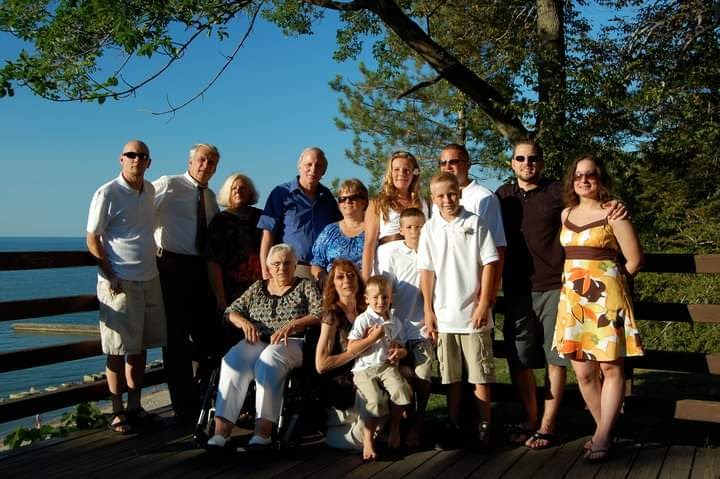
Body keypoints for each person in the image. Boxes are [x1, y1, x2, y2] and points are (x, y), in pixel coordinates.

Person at [496, 140, 625, 449]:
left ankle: (548, 426)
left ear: (541, 162)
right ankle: (531, 421)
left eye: (533, 158)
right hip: (516, 288)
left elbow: (589, 209)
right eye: (520, 158)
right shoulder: (501, 196)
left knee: (557, 359)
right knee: (520, 359)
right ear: (512, 163)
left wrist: (615, 206)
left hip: (557, 286)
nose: (527, 163)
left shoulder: (557, 193)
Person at [553, 153, 644, 462]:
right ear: (572, 180)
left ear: (601, 178)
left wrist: (610, 283)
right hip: (574, 301)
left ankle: (603, 437)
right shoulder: (566, 214)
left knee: (610, 368)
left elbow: (635, 260)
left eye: (590, 174)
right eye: (578, 175)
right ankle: (603, 430)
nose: (583, 180)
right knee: (583, 373)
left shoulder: (614, 213)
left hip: (606, 300)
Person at [207, 244, 323, 448]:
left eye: (287, 263)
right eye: (276, 264)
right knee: (233, 359)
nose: (282, 268)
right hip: (259, 340)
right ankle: (221, 430)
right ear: (268, 267)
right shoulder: (257, 287)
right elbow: (230, 312)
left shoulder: (305, 285)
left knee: (269, 359)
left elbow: (321, 312)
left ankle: (263, 430)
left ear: (295, 265)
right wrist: (243, 322)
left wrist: (294, 325)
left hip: (292, 341)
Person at [86, 140, 167, 433]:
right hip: (120, 281)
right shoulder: (107, 192)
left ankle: (135, 406)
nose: (137, 160)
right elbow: (92, 238)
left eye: (142, 156)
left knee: (140, 347)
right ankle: (117, 410)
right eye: (131, 155)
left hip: (150, 277)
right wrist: (110, 274)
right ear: (121, 159)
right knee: (117, 348)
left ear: (149, 162)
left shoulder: (151, 190)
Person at [418, 172, 499, 449]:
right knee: (451, 378)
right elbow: (426, 271)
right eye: (441, 196)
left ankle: (484, 428)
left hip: (473, 315)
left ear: (459, 193)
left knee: (480, 376)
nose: (447, 200)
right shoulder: (430, 229)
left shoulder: (475, 223)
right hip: (444, 316)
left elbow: (490, 263)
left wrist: (484, 303)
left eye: (451, 193)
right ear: (433, 198)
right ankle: (453, 426)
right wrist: (428, 310)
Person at [153, 143, 220, 417]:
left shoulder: (211, 197)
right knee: (176, 337)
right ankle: (183, 405)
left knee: (208, 334)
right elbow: (141, 215)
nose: (206, 165)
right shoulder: (169, 185)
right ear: (190, 161)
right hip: (172, 266)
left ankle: (203, 394)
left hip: (201, 268)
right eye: (202, 160)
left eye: (212, 162)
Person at [376, 207, 435, 448]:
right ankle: (400, 424)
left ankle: (419, 421)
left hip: (422, 329)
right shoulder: (391, 253)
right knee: (402, 376)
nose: (414, 231)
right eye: (409, 227)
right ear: (400, 230)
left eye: (419, 226)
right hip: (398, 329)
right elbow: (384, 290)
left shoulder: (432, 251)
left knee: (423, 375)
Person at [315, 259, 380, 454]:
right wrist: (358, 348)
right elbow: (321, 364)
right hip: (344, 385)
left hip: (371, 374)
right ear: (333, 284)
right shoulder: (332, 315)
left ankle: (371, 432)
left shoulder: (367, 311)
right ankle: (351, 435)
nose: (347, 281)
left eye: (351, 276)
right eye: (340, 277)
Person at [348, 275, 412, 460]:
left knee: (401, 391)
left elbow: (402, 346)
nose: (380, 301)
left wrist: (400, 352)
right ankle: (368, 440)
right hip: (364, 368)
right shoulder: (363, 320)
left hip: (386, 366)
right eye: (375, 297)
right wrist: (371, 338)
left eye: (385, 297)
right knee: (375, 401)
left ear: (391, 298)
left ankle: (394, 428)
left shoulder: (395, 321)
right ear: (367, 299)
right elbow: (352, 347)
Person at [258, 147, 342, 280]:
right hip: (292, 268)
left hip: (324, 269)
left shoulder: (327, 197)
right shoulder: (281, 193)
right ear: (299, 167)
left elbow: (339, 230)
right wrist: (266, 270)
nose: (313, 169)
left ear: (324, 171)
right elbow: (268, 233)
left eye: (318, 166)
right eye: (309, 164)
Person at [437, 143, 506, 298]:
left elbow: (498, 248)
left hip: (474, 290)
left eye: (453, 161)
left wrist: (489, 295)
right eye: (443, 163)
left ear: (467, 165)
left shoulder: (484, 197)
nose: (447, 167)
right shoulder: (437, 201)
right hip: (443, 290)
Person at [361, 150, 429, 280]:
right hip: (388, 264)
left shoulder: (424, 202)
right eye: (396, 169)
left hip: (418, 264)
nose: (401, 174)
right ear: (390, 173)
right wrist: (365, 280)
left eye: (406, 170)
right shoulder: (377, 203)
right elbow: (369, 244)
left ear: (414, 173)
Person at [206, 173, 263, 313]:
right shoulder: (220, 221)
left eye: (242, 188)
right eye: (234, 188)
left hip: (261, 286)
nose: (238, 191)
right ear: (228, 193)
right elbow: (213, 261)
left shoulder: (262, 217)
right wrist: (220, 297)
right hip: (231, 290)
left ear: (250, 192)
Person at [311, 179, 369, 283]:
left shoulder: (373, 229)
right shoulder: (330, 231)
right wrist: (324, 280)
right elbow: (316, 264)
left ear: (364, 202)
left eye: (353, 198)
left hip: (366, 286)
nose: (347, 201)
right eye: (343, 199)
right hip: (335, 287)